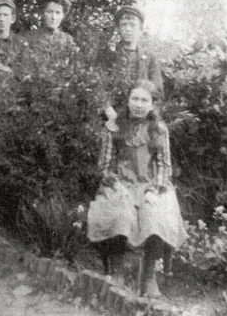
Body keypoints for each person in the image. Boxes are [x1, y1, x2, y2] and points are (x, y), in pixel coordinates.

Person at [86, 79, 186, 298]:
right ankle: (118, 272)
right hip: (121, 184)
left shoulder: (158, 129)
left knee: (154, 215)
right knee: (119, 212)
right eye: (135, 99)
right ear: (128, 101)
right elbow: (105, 165)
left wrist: (154, 188)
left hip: (150, 184)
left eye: (144, 100)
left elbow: (163, 165)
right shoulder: (114, 127)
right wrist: (116, 184)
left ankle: (149, 278)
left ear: (152, 105)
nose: (139, 104)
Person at [99, 6, 164, 130]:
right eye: (123, 25)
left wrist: (149, 117)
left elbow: (157, 93)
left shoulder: (149, 58)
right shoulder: (108, 55)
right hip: (111, 115)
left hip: (140, 117)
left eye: (132, 25)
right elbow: (99, 86)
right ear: (118, 29)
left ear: (140, 29)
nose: (128, 29)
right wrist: (109, 111)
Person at [18, 0, 78, 79]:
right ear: (42, 13)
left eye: (58, 13)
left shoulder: (68, 40)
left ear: (63, 16)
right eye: (49, 12)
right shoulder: (28, 37)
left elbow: (73, 69)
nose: (53, 17)